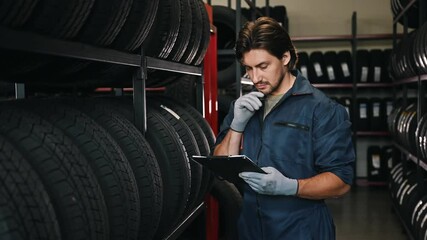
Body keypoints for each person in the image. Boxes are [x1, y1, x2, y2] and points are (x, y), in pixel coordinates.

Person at [213, 17, 355, 240]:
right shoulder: (243, 107)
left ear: (285, 58)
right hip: (251, 228)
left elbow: (341, 182)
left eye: (263, 66)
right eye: (248, 68)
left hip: (301, 229)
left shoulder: (322, 109)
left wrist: (291, 187)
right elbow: (222, 166)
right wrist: (237, 125)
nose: (255, 77)